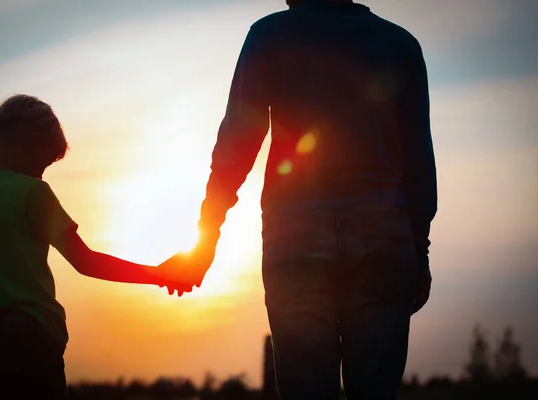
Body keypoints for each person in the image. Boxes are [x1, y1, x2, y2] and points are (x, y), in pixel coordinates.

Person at [167, 0, 437, 398]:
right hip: (384, 240)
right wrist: (419, 250)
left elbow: (236, 144)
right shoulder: (400, 44)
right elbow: (418, 160)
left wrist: (205, 240)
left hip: (295, 240)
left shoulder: (271, 35)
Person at [0, 94, 188, 400]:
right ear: (27, 140)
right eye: (43, 163)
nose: (41, 173)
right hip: (34, 343)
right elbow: (85, 261)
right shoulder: (32, 192)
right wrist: (159, 274)